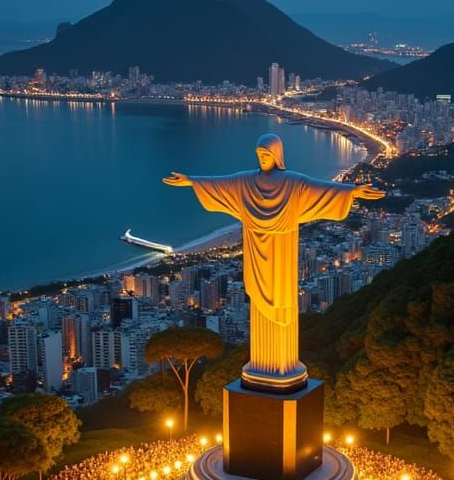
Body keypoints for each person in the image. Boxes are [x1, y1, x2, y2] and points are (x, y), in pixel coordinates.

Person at [163, 134, 384, 390]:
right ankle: (262, 368)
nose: (262, 159)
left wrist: (353, 191)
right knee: (258, 297)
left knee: (281, 301)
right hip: (255, 245)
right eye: (259, 155)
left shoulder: (293, 182)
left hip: (282, 251)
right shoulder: (247, 180)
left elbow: (321, 188)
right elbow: (220, 184)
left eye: (266, 155)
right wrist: (192, 181)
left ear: (277, 156)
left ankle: (282, 366)